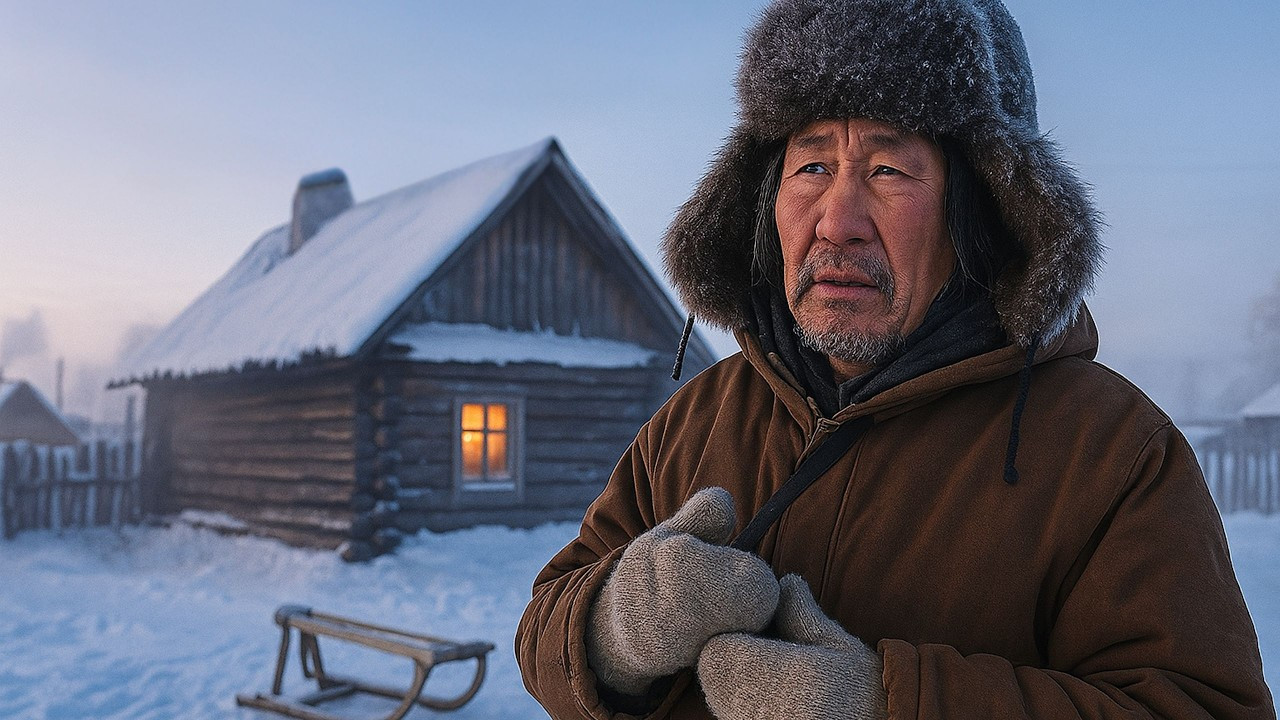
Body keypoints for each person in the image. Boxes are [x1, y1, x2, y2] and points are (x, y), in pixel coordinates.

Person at [516, 0, 1276, 717]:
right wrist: (615, 629)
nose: (836, 222)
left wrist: (888, 703)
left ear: (982, 209)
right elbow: (542, 631)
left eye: (888, 171)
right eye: (811, 167)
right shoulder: (699, 418)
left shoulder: (1110, 452)